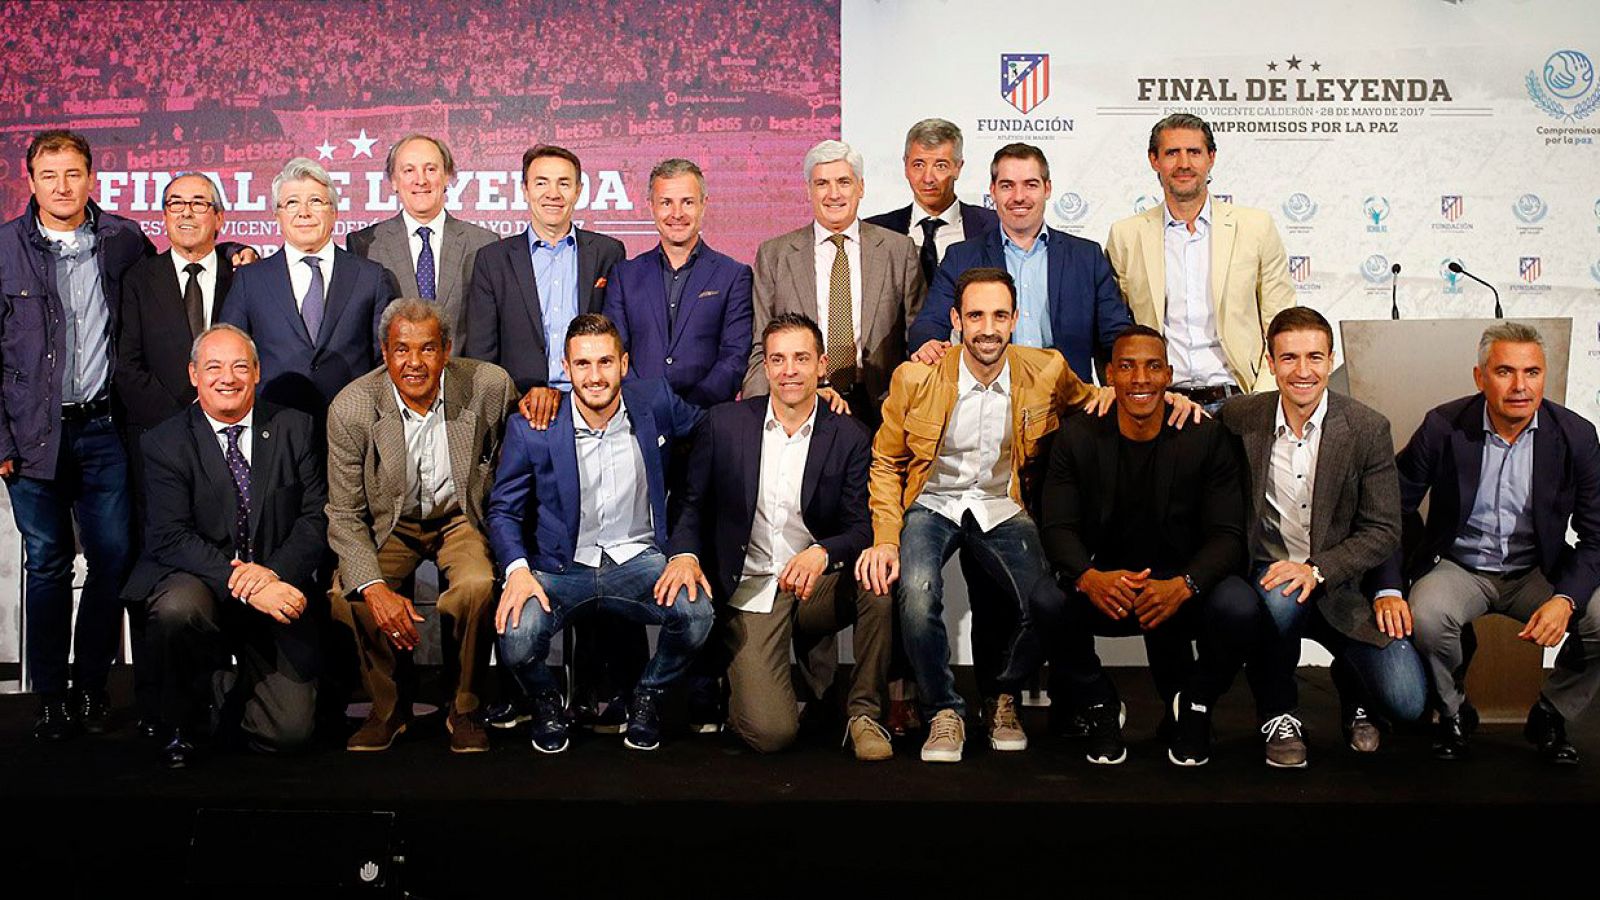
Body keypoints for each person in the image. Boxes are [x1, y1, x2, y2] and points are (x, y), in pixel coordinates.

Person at [856, 267, 1105, 764]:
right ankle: (943, 710)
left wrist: (1157, 401)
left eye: (998, 315)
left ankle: (1001, 696)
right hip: (932, 501)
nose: (987, 328)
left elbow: (1097, 405)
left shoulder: (1047, 370)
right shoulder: (916, 378)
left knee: (1044, 600)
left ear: (1015, 319)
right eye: (975, 316)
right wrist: (886, 537)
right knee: (916, 591)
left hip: (1003, 503)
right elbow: (886, 461)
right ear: (955, 320)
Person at [656, 313, 890, 758]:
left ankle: (864, 715)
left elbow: (861, 527)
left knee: (875, 583)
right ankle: (743, 679)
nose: (789, 371)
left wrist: (823, 552)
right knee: (771, 735)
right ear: (764, 367)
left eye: (801, 358)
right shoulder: (723, 424)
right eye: (778, 359)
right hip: (750, 588)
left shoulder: (850, 435)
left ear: (823, 365)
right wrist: (683, 555)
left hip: (812, 586)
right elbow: (691, 501)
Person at [1376, 322, 1600, 765]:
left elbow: (1597, 536)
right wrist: (1390, 585)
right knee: (1425, 616)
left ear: (1545, 375)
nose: (1520, 386)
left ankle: (1552, 714)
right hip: (1460, 566)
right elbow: (1388, 509)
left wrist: (1567, 599)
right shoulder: (1443, 426)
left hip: (1539, 569)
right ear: (1480, 378)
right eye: (1505, 372)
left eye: (1532, 372)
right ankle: (1455, 710)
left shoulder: (1576, 435)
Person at [488, 313, 709, 753]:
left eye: (605, 362)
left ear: (625, 364)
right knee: (514, 636)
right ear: (565, 369)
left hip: (641, 560)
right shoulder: (531, 426)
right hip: (559, 567)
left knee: (697, 615)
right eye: (583, 365)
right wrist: (516, 570)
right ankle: (547, 701)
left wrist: (685, 549)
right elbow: (503, 510)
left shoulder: (655, 401)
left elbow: (711, 432)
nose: (595, 376)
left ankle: (646, 697)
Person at [1040, 325, 1259, 767]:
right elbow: (1057, 527)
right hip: (1109, 585)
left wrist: (1186, 584)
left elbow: (1228, 535)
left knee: (1240, 604)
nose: (1140, 378)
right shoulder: (1077, 437)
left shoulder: (1205, 436)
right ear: (1109, 376)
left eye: (1152, 366)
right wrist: (1089, 577)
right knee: (1047, 599)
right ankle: (1100, 704)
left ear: (1169, 376)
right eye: (1127, 366)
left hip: (1180, 586)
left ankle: (1194, 704)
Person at [0, 130, 153, 739]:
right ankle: (47, 697)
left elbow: (167, 287)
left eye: (73, 174)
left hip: (104, 430)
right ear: (29, 180)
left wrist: (239, 253)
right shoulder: (5, 248)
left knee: (113, 557)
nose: (63, 186)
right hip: (33, 435)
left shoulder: (124, 241)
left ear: (93, 178)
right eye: (50, 175)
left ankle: (91, 686)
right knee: (47, 564)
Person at [1218, 307, 1419, 766]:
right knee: (1279, 597)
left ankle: (1356, 696)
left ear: (1332, 360)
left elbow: (1384, 527)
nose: (1302, 372)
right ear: (1270, 362)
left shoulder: (1367, 428)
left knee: (1406, 700)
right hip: (1270, 578)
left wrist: (1317, 569)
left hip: (1341, 583)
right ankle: (1279, 711)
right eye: (1289, 359)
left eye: (1314, 357)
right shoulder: (1238, 417)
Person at [125, 325, 327, 766]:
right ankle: (180, 717)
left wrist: (273, 573)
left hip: (276, 582)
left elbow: (316, 518)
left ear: (257, 372)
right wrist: (248, 583)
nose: (228, 378)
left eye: (240, 366)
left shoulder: (295, 428)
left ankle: (228, 701)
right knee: (178, 608)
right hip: (201, 582)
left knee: (290, 734)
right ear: (194, 374)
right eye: (214, 367)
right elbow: (170, 536)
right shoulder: (164, 442)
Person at [325, 299, 517, 753]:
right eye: (401, 350)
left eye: (428, 349)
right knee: (346, 594)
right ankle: (390, 709)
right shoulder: (352, 408)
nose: (414, 363)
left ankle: (464, 706)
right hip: (390, 521)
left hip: (460, 517)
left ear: (447, 350)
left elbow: (518, 456)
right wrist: (373, 587)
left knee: (475, 585)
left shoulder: (489, 386)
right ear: (384, 353)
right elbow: (346, 514)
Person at [1104, 114, 1296, 407]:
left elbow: (1282, 323)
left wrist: (1262, 399)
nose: (1184, 164)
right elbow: (1114, 329)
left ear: (1211, 158)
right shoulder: (1126, 236)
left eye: (1194, 152)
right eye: (1172, 153)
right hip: (1160, 405)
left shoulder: (1256, 227)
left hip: (1240, 400)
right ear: (1154, 160)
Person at [909, 143, 1130, 382]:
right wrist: (928, 343)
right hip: (991, 399)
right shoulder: (962, 257)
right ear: (992, 191)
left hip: (1069, 401)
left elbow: (1116, 335)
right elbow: (929, 322)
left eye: (1030, 185)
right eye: (1007, 186)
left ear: (1047, 189)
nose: (1019, 197)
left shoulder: (1086, 256)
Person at [743, 139, 923, 430]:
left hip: (883, 405)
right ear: (809, 191)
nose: (834, 194)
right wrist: (756, 416)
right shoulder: (774, 254)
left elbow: (917, 340)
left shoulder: (899, 250)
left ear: (861, 187)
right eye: (822, 184)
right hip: (803, 401)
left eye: (843, 181)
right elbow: (759, 346)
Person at [220, 157, 395, 421]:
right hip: (273, 426)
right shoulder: (250, 280)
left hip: (352, 425)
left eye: (315, 201)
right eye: (292, 203)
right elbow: (230, 354)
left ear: (334, 212)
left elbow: (384, 359)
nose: (304, 212)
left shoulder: (370, 277)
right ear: (277, 215)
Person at [465, 144, 625, 427]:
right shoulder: (493, 260)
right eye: (541, 183)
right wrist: (515, 403)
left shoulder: (608, 252)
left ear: (578, 191)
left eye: (564, 183)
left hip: (591, 407)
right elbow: (482, 355)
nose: (553, 194)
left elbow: (618, 337)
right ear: (525, 190)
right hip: (519, 411)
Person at [602, 157, 752, 409]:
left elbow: (735, 356)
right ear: (650, 206)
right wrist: (648, 404)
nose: (677, 214)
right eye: (666, 203)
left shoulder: (734, 275)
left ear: (704, 204)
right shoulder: (624, 275)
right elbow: (614, 352)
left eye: (688, 202)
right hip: (638, 419)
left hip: (707, 419)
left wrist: (688, 410)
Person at [346, 134, 498, 344]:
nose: (421, 180)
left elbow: (488, 332)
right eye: (409, 170)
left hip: (463, 374)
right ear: (394, 182)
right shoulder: (365, 245)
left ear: (447, 177)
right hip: (392, 375)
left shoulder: (484, 243)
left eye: (431, 169)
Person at [864, 118, 999, 287]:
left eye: (940, 166)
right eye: (918, 165)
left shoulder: (995, 227)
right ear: (905, 166)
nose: (928, 178)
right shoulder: (874, 233)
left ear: (958, 167)